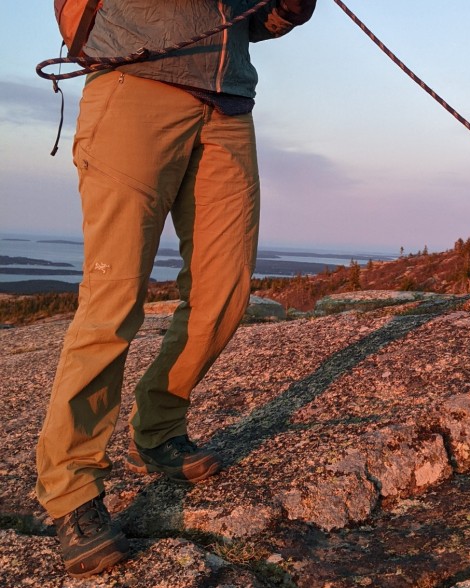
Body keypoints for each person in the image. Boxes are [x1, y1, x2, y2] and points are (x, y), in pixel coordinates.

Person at [35, 0, 317, 578]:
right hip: (134, 82)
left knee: (225, 291)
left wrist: (288, 10)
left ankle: (158, 428)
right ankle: (71, 490)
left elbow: (246, 22)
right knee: (114, 298)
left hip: (228, 104)